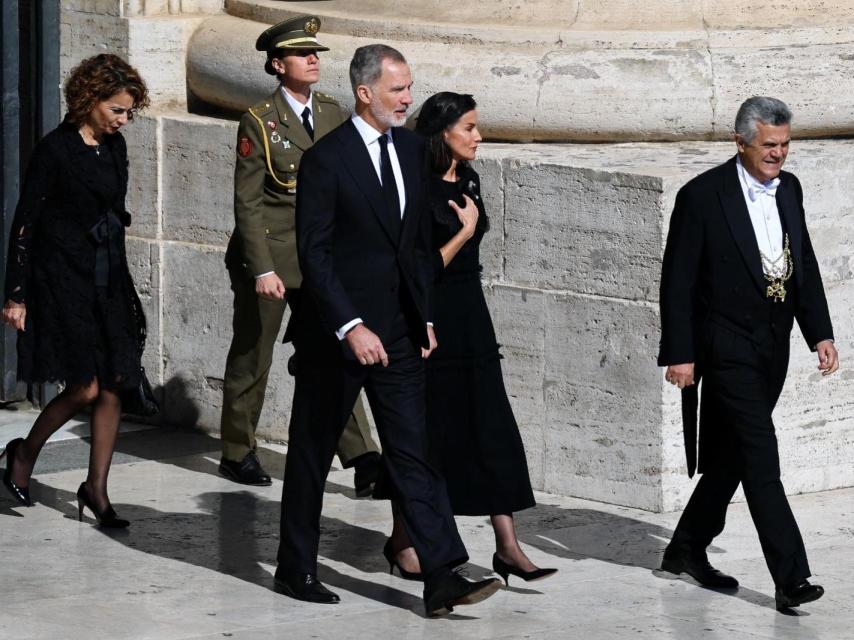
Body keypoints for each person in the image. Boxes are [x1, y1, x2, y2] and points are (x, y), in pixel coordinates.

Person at [274, 44, 501, 616]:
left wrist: (421, 314)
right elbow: (315, 255)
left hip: (399, 330)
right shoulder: (327, 159)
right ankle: (294, 564)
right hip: (339, 332)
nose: (407, 99)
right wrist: (350, 326)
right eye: (397, 90)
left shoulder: (410, 150)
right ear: (364, 92)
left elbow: (416, 247)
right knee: (312, 449)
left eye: (409, 88)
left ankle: (442, 572)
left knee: (413, 449)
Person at [658, 96, 838, 611]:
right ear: (740, 143)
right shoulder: (702, 196)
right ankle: (791, 578)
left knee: (733, 455)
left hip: (772, 347)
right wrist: (681, 353)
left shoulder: (791, 189)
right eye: (769, 145)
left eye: (784, 144)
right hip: (726, 346)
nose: (778, 154)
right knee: (762, 458)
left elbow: (803, 262)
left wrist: (819, 333)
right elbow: (678, 281)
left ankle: (686, 547)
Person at [380, 92, 556, 586]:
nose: (479, 136)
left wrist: (469, 232)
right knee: (428, 436)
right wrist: (463, 232)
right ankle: (403, 540)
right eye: (471, 128)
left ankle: (508, 546)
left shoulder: (471, 178)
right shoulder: (416, 187)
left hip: (472, 317)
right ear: (443, 135)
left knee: (491, 426)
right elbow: (419, 268)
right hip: (428, 316)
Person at [220, 16, 381, 492]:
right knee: (255, 353)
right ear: (277, 64)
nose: (313, 59)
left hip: (320, 260)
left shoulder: (332, 112)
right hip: (271, 258)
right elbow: (247, 202)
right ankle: (237, 450)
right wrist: (262, 267)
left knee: (340, 351)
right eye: (300, 54)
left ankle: (362, 457)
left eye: (315, 53)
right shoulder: (258, 121)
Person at [0, 53, 150, 528]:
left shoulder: (115, 147)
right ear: (90, 100)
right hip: (61, 276)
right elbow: (25, 223)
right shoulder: (55, 150)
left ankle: (96, 490)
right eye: (117, 110)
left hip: (108, 276)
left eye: (129, 111)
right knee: (84, 386)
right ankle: (23, 453)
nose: (123, 120)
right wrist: (16, 295)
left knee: (114, 385)